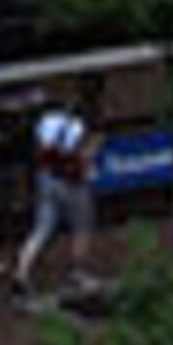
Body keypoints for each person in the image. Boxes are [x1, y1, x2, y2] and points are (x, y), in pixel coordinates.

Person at [14, 77, 104, 302]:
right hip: (73, 182)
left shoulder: (46, 122)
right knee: (81, 229)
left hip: (46, 179)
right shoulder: (82, 126)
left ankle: (21, 272)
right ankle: (78, 273)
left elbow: (41, 151)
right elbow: (85, 155)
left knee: (41, 229)